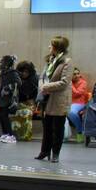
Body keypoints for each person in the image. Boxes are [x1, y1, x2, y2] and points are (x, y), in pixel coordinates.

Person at [35, 35, 74, 163]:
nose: (49, 47)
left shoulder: (67, 62)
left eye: (51, 45)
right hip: (46, 98)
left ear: (57, 47)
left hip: (58, 100)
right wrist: (42, 86)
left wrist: (46, 87)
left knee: (57, 129)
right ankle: (44, 151)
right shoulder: (50, 60)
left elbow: (64, 82)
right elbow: (42, 76)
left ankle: (55, 153)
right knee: (46, 128)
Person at [0, 55, 20, 143]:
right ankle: (5, 134)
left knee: (5, 116)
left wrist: (8, 88)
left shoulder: (13, 73)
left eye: (2, 62)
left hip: (7, 99)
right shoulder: (3, 73)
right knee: (1, 116)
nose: (0, 64)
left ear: (7, 63)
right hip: (1, 98)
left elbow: (18, 83)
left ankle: (11, 135)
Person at [12, 60, 37, 142]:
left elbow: (35, 96)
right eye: (22, 71)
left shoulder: (34, 80)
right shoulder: (15, 79)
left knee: (27, 112)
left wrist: (33, 103)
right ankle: (14, 135)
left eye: (26, 72)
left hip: (29, 104)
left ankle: (25, 135)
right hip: (16, 103)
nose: (24, 73)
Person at [66, 68, 90, 142]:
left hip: (79, 103)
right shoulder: (67, 82)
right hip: (67, 103)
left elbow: (77, 93)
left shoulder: (83, 82)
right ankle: (63, 136)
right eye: (74, 74)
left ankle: (80, 131)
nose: (77, 76)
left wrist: (70, 84)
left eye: (78, 73)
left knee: (70, 112)